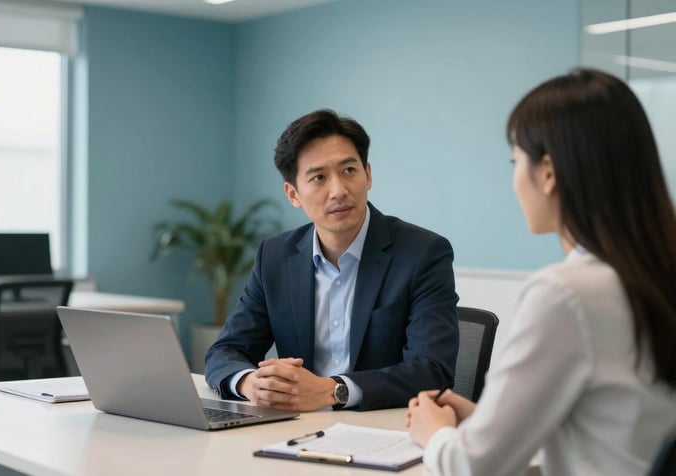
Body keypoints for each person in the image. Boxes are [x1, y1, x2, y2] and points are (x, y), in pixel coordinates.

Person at [405, 68, 676, 476]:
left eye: (516, 161)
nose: (515, 178)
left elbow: (473, 467)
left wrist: (435, 433)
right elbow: (610, 424)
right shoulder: (651, 273)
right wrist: (485, 420)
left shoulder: (567, 293)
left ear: (547, 172)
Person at [205, 109, 459, 412]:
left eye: (349, 171)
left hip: (383, 431)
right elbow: (225, 350)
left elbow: (432, 370)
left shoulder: (422, 253)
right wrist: (250, 383)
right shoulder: (275, 257)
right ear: (293, 194)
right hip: (298, 430)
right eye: (319, 177)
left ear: (368, 174)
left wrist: (333, 390)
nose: (338, 190)